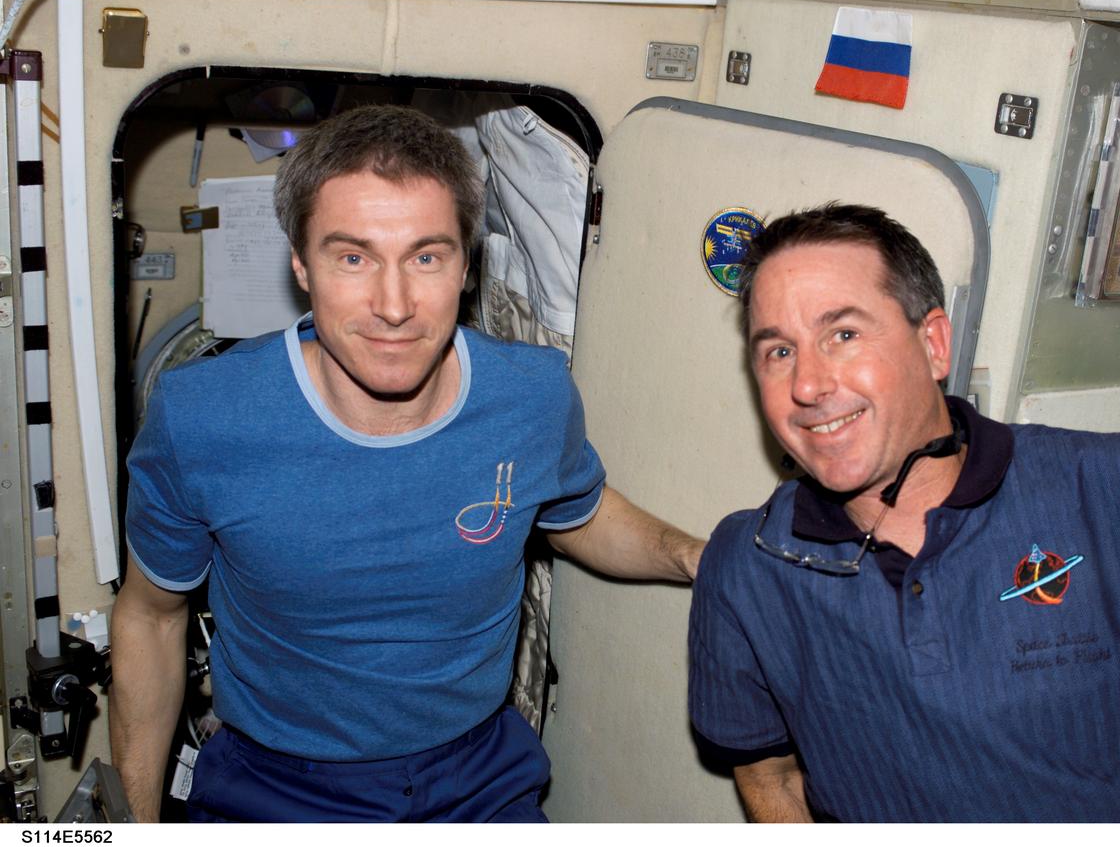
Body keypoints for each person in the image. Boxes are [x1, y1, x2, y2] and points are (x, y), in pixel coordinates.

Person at [111, 105, 703, 823]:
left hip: (479, 778)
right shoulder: (203, 417)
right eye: (352, 257)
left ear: (466, 264)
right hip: (275, 786)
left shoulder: (530, 394)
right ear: (301, 263)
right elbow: (149, 618)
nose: (394, 305)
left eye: (426, 256)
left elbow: (577, 510)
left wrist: (696, 556)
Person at [687, 202, 1120, 822]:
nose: (807, 385)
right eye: (778, 351)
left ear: (935, 343)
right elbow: (771, 781)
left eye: (843, 334)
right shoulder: (747, 566)